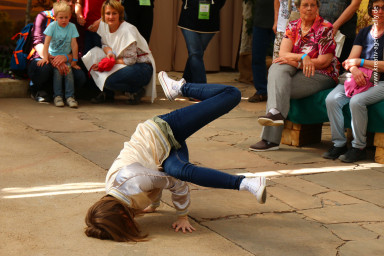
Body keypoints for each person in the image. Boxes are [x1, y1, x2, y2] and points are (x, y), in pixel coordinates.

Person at [84, 71, 267, 242]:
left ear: (122, 215)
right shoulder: (117, 195)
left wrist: (182, 216)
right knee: (179, 170)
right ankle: (249, 183)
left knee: (232, 94)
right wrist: (153, 205)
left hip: (162, 130)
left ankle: (180, 88)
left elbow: (168, 182)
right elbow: (152, 176)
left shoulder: (130, 181)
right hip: (163, 153)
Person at [249, 0, 339, 152]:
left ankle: (270, 138)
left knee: (277, 86)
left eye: (313, 5)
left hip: (321, 74)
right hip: (299, 68)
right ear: (298, 8)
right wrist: (302, 58)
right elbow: (283, 54)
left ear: (317, 8)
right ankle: (275, 116)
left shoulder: (325, 28)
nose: (309, 9)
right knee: (278, 66)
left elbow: (324, 62)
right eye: (305, 5)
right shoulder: (292, 25)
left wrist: (297, 61)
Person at [323, 0, 384, 163]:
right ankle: (339, 144)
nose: (380, 11)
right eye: (377, 8)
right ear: (371, 10)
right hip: (358, 78)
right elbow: (350, 60)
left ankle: (359, 147)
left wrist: (361, 63)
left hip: (381, 81)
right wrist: (355, 69)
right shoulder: (364, 33)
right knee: (331, 99)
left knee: (357, 102)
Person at [82, 0, 156, 105]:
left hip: (141, 67)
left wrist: (109, 62)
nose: (111, 17)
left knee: (109, 81)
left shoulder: (127, 30)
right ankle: (107, 93)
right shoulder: (104, 26)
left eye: (114, 13)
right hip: (123, 61)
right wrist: (109, 53)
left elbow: (131, 60)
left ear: (120, 15)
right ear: (103, 15)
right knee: (92, 56)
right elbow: (104, 44)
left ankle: (136, 90)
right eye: (108, 13)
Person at [28, 0, 86, 103]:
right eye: (68, 0)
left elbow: (78, 47)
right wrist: (52, 59)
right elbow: (37, 42)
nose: (71, 3)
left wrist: (67, 58)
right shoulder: (43, 17)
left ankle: (67, 95)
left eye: (73, 1)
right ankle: (39, 90)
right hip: (44, 56)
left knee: (80, 76)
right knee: (44, 69)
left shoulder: (72, 23)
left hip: (66, 58)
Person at [178, 0, 227, 83]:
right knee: (195, 53)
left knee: (196, 54)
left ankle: (185, 84)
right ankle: (201, 87)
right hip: (189, 18)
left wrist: (214, 7)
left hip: (210, 21)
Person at [319, 0, 362, 65]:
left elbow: (354, 5)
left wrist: (336, 26)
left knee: (338, 64)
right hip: (320, 26)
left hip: (343, 31)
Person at [248, 0, 274, 103]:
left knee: (282, 58)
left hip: (281, 21)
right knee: (257, 57)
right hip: (260, 19)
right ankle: (261, 91)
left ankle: (279, 92)